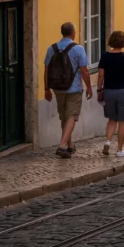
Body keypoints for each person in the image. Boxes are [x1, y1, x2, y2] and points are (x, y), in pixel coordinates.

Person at [44, 23, 92, 158]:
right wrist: (89, 87)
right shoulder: (78, 49)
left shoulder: (51, 48)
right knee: (72, 117)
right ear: (73, 33)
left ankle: (70, 146)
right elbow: (84, 71)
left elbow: (46, 71)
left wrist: (46, 89)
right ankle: (62, 145)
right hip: (74, 89)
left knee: (64, 117)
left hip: (58, 88)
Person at [97, 31, 124, 157]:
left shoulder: (105, 56)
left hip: (109, 91)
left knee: (112, 119)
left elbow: (100, 75)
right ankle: (120, 150)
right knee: (122, 121)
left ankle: (107, 141)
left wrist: (99, 90)